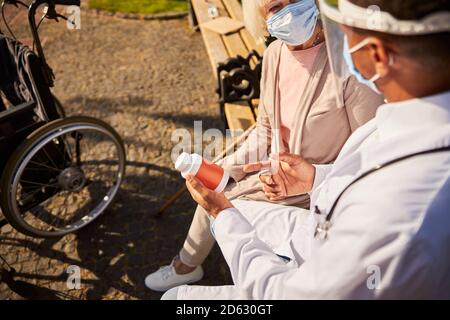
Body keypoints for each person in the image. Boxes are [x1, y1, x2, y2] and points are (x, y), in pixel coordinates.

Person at [164, 0, 450, 299]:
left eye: (345, 32)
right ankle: (187, 263)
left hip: (312, 236)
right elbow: (274, 132)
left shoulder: (390, 205)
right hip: (311, 207)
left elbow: (288, 295)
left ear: (374, 54)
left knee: (176, 298)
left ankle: (186, 269)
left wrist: (223, 214)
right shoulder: (397, 129)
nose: (337, 39)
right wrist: (315, 177)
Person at [145, 0, 383, 292]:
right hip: (271, 173)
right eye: (275, 6)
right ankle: (188, 266)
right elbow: (266, 130)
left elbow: (369, 154)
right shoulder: (273, 55)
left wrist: (313, 177)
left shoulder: (348, 61)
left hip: (318, 187)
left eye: (293, 1)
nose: (287, 11)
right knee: (212, 189)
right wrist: (227, 168)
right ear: (262, 17)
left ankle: (190, 267)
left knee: (219, 206)